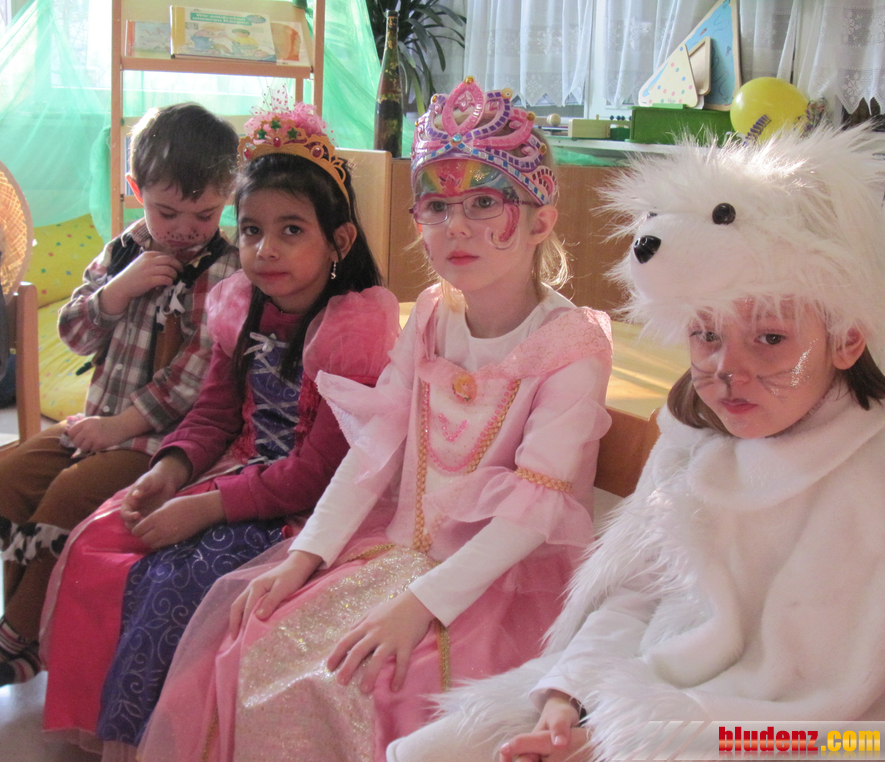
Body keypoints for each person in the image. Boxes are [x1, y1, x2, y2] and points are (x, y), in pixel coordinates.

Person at [386, 126, 885, 762]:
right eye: (706, 336)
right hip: (643, 703)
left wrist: (617, 741)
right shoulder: (697, 439)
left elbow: (823, 705)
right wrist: (568, 698)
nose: (728, 369)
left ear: (846, 339)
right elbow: (634, 595)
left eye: (769, 339)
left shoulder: (872, 480)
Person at [138, 76, 615, 762]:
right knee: (261, 638)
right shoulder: (433, 314)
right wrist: (305, 558)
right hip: (397, 552)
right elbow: (373, 450)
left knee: (378, 683)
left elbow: (530, 513)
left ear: (540, 221)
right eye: (438, 206)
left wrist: (420, 605)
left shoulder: (572, 345)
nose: (457, 227)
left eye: (485, 202)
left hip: (493, 586)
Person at [39, 102, 401, 759]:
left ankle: (165, 740)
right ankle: (101, 725)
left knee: (170, 582)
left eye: (292, 230)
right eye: (252, 229)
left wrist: (204, 507)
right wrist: (169, 470)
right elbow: (212, 412)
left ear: (339, 241)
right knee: (99, 541)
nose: (265, 250)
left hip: (300, 511)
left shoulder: (354, 329)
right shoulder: (240, 304)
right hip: (230, 476)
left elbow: (317, 474)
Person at [0, 102, 240, 687]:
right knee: (10, 473)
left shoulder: (226, 270)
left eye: (205, 214)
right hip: (96, 425)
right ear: (136, 191)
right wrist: (115, 292)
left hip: (157, 444)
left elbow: (194, 376)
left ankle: (19, 638)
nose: (184, 229)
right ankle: (21, 621)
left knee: (68, 494)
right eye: (166, 212)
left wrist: (117, 427)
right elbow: (72, 333)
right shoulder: (124, 250)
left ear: (228, 198)